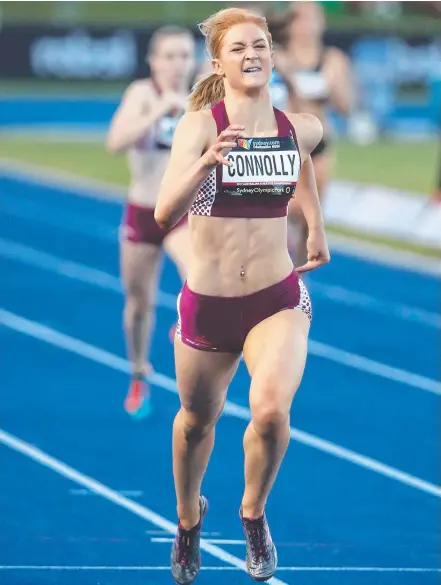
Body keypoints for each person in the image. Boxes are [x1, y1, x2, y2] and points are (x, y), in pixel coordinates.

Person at [155, 7, 330, 584]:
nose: (251, 54)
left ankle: (252, 514)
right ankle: (187, 521)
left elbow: (304, 154)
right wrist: (206, 163)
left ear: (272, 55)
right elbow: (163, 213)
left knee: (272, 410)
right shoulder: (202, 125)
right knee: (195, 424)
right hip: (209, 304)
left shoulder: (297, 124)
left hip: (275, 297)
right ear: (219, 63)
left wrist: (317, 225)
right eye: (238, 49)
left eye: (260, 45)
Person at [106, 26, 196, 417]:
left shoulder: (201, 97)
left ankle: (187, 324)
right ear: (154, 60)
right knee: (139, 305)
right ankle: (139, 370)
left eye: (184, 56)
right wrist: (161, 110)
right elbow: (115, 141)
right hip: (142, 212)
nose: (178, 64)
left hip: (182, 212)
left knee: (198, 275)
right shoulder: (142, 94)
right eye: (170, 56)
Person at [269, 1, 352, 266]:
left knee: (310, 220)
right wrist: (289, 76)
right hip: (285, 145)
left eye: (313, 18)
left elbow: (346, 107)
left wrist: (331, 86)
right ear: (291, 24)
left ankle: (299, 282)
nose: (307, 26)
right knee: (287, 211)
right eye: (301, 19)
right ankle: (280, 267)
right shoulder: (275, 57)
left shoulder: (332, 59)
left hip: (319, 145)